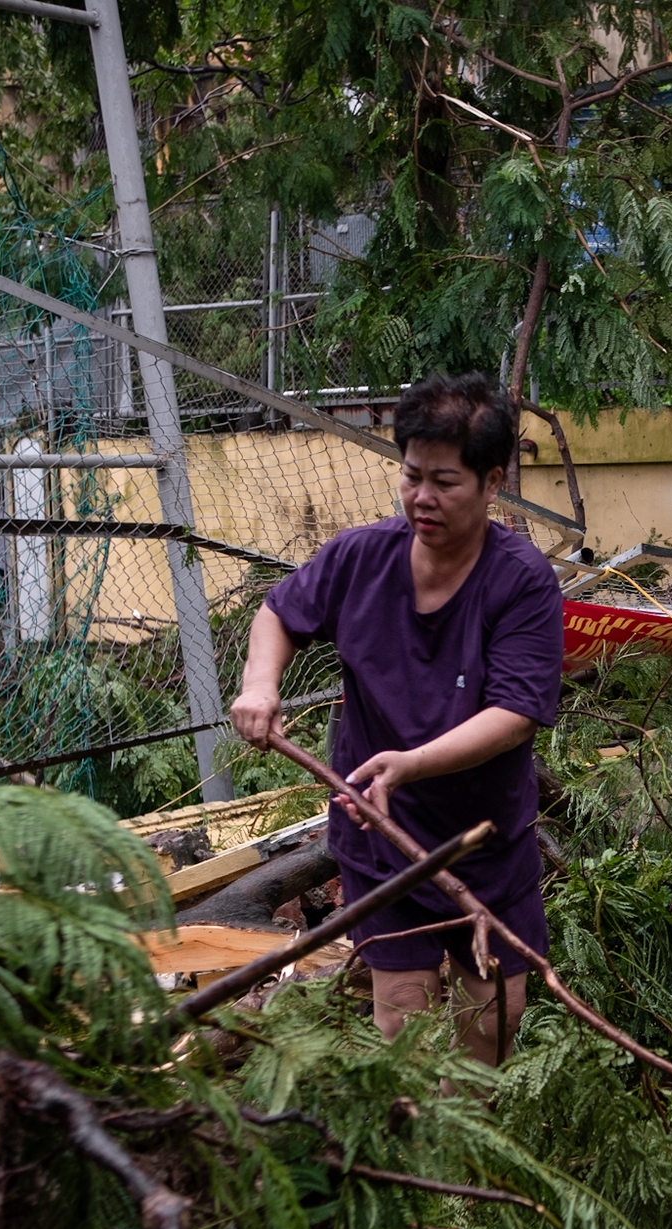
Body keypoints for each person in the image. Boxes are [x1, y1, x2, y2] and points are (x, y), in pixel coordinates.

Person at [229, 372, 563, 1064]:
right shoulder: (360, 557)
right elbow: (277, 613)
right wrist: (261, 687)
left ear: (493, 481)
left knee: (494, 1018)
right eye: (411, 476)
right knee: (401, 1025)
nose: (422, 498)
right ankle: (416, 1152)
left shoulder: (521, 579)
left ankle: (471, 1149)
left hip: (483, 841)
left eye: (445, 482)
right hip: (379, 835)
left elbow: (516, 713)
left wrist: (412, 764)